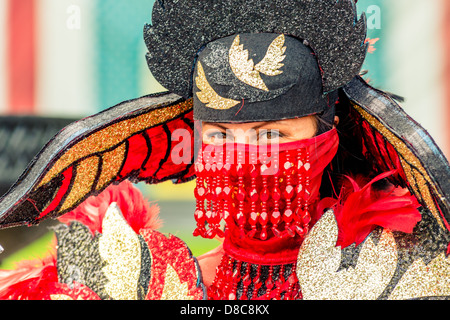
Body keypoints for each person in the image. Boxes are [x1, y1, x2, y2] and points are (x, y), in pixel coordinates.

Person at [0, 0, 449, 300]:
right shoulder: (134, 279)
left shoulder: (403, 276)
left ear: (327, 136)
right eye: (219, 134)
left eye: (271, 136)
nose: (243, 156)